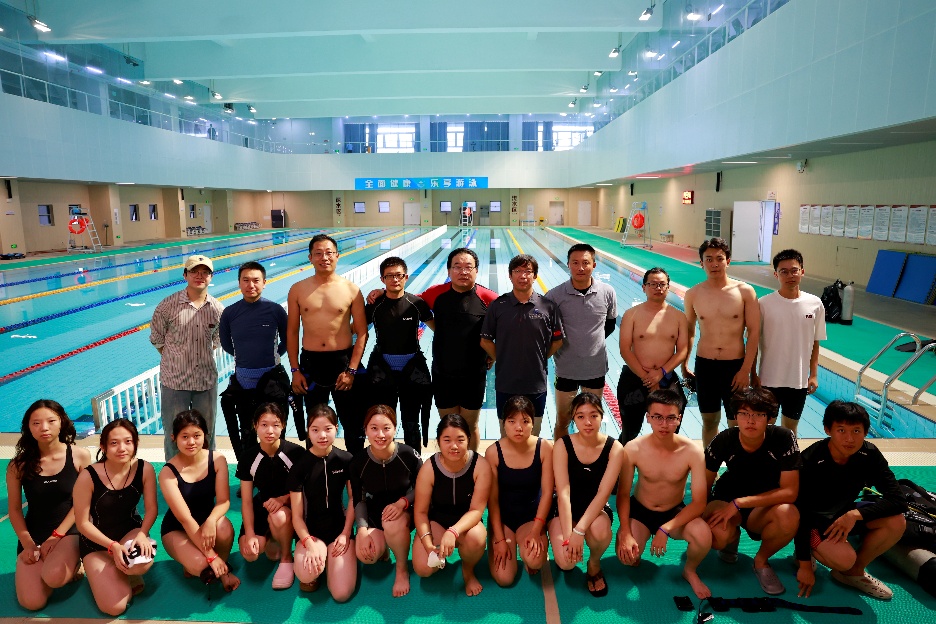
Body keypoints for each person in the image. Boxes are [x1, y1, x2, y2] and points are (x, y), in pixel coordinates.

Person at [794, 400, 906, 600]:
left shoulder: (869, 454)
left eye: (856, 431)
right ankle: (813, 549)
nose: (849, 439)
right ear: (827, 430)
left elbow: (898, 500)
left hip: (845, 514)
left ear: (866, 432)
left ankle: (853, 573)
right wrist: (804, 564)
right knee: (844, 559)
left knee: (896, 521)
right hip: (814, 521)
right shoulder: (811, 459)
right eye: (841, 430)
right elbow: (799, 511)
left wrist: (855, 514)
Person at [703, 387, 800, 596]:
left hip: (763, 506)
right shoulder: (724, 439)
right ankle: (731, 538)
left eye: (758, 414)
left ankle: (761, 561)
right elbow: (704, 486)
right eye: (744, 413)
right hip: (726, 497)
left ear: (769, 418)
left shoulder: (783, 438)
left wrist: (740, 503)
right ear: (735, 416)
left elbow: (790, 492)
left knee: (789, 515)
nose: (750, 420)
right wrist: (702, 521)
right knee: (715, 534)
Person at [615, 389, 712, 599]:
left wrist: (665, 529)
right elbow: (622, 494)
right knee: (627, 558)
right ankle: (637, 539)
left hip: (673, 512)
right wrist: (625, 531)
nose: (664, 424)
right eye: (657, 417)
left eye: (670, 418)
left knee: (703, 535)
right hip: (640, 511)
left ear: (679, 419)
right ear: (648, 417)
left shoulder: (692, 452)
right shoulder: (633, 448)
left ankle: (690, 570)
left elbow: (699, 502)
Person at [8, 400, 92, 611]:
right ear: (28, 427)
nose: (44, 428)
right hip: (34, 533)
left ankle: (74, 562)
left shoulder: (79, 456)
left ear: (62, 422)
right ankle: (48, 564)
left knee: (54, 577)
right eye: (36, 423)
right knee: (32, 602)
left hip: (69, 529)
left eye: (51, 421)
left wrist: (57, 536)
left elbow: (83, 503)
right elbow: (15, 510)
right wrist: (28, 543)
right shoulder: (18, 465)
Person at [287, 234, 368, 453]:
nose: (324, 257)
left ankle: (354, 470)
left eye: (329, 253)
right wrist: (295, 370)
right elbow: (292, 332)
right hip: (311, 364)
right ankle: (315, 469)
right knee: (314, 424)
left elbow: (362, 333)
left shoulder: (351, 289)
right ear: (310, 258)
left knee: (353, 423)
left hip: (343, 362)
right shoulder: (297, 289)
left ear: (337, 256)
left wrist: (351, 370)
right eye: (318, 253)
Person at [73, 419, 158, 616]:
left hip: (130, 533)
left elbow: (152, 509)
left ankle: (124, 572)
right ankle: (107, 571)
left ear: (135, 443)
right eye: (114, 443)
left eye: (128, 442)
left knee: (143, 562)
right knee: (114, 607)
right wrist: (113, 546)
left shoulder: (145, 469)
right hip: (96, 543)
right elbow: (82, 523)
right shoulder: (88, 476)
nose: (122, 448)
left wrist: (142, 534)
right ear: (103, 446)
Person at [416, 248, 498, 450]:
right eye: (457, 267)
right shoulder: (436, 293)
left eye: (468, 267)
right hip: (443, 373)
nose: (463, 271)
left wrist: (493, 354)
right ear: (449, 271)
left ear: (476, 270)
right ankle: (449, 464)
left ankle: (472, 464)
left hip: (474, 375)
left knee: (470, 426)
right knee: (449, 426)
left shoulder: (488, 297)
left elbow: (505, 327)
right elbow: (405, 299)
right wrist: (381, 292)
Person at [682, 238, 760, 448]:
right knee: (709, 421)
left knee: (736, 422)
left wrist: (746, 370)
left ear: (728, 261)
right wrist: (684, 364)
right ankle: (710, 462)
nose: (714, 264)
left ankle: (736, 463)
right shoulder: (693, 294)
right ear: (701, 263)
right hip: (705, 365)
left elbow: (754, 332)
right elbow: (689, 331)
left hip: (735, 366)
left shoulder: (745, 291)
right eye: (709, 259)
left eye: (719, 258)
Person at [550, 392, 625, 598]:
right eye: (581, 416)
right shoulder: (563, 445)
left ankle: (594, 563)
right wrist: (569, 536)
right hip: (565, 508)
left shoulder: (614, 448)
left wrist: (580, 531)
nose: (588, 422)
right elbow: (563, 492)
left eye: (593, 415)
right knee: (567, 563)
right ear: (573, 419)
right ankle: (560, 538)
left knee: (600, 531)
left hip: (596, 509)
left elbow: (603, 494)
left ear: (602, 416)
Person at [150, 254, 224, 461]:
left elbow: (217, 341)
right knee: (174, 433)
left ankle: (207, 471)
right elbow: (157, 339)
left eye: (205, 272)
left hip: (205, 380)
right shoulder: (167, 305)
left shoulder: (217, 309)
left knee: (206, 432)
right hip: (175, 381)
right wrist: (177, 359)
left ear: (211, 277)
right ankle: (174, 472)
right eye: (194, 271)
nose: (200, 276)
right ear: (185, 275)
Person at [481, 254, 564, 437]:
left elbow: (558, 340)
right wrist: (502, 358)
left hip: (536, 383)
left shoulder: (548, 306)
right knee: (506, 435)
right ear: (510, 275)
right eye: (518, 271)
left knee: (533, 435)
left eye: (528, 271)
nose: (523, 275)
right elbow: (485, 340)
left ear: (535, 276)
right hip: (506, 383)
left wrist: (539, 358)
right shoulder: (498, 305)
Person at [159, 410, 239, 592]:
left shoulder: (217, 460)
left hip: (206, 522)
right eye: (184, 437)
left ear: (205, 435)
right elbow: (185, 518)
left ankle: (221, 568)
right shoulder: (167, 473)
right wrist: (211, 556)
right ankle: (209, 564)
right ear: (174, 438)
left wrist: (211, 520)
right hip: (178, 529)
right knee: (203, 566)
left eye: (196, 435)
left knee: (224, 527)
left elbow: (223, 501)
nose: (191, 442)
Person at [412, 414, 492, 597]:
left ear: (469, 440)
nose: (454, 446)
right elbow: (421, 512)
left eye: (460, 440)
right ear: (439, 442)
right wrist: (428, 544)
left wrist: (453, 531)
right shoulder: (429, 468)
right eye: (447, 440)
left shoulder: (480, 466)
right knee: (423, 568)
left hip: (467, 525)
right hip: (437, 522)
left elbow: (476, 510)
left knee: (476, 538)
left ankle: (467, 570)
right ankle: (440, 555)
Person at [219, 261, 290, 463]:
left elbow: (287, 341)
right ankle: (249, 474)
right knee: (247, 433)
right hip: (244, 381)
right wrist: (245, 357)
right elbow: (226, 344)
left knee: (276, 430)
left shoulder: (275, 310)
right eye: (246, 280)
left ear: (264, 283)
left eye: (256, 280)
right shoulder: (230, 313)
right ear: (239, 283)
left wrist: (272, 356)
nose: (251, 285)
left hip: (272, 380)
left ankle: (278, 470)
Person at [350, 404, 423, 597]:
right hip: (375, 515)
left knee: (392, 523)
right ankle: (384, 545)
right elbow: (359, 499)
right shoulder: (358, 462)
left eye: (386, 428)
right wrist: (362, 530)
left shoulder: (409, 455)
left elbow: (423, 488)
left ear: (395, 428)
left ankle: (401, 569)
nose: (380, 435)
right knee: (366, 556)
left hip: (405, 511)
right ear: (365, 430)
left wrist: (403, 502)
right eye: (374, 428)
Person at [546, 244, 618, 440]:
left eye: (585, 263)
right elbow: (548, 330)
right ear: (568, 264)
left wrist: (590, 343)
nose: (580, 268)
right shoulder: (554, 296)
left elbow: (610, 324)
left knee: (591, 421)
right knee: (563, 420)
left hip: (595, 368)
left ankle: (588, 455)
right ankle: (561, 455)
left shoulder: (607, 292)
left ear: (594, 265)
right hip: (566, 369)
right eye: (575, 263)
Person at [364, 257, 434, 450]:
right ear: (382, 279)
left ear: (406, 277)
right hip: (383, 369)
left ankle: (414, 460)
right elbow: (356, 330)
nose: (395, 279)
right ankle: (384, 457)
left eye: (399, 275)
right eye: (389, 276)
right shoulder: (375, 305)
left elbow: (438, 329)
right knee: (383, 421)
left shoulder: (416, 303)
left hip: (411, 369)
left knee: (411, 422)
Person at [754, 249, 826, 437]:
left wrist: (814, 375)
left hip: (798, 380)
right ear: (776, 274)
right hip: (769, 379)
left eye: (794, 270)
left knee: (790, 430)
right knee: (765, 429)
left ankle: (788, 457)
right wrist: (753, 374)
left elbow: (815, 342)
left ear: (802, 271)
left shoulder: (815, 304)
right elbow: (752, 342)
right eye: (784, 271)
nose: (790, 276)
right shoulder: (764, 304)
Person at [288, 404, 356, 601]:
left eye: (328, 429)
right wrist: (308, 543)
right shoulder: (300, 466)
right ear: (308, 431)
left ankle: (331, 563)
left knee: (341, 594)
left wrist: (345, 534)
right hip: (311, 533)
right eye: (315, 430)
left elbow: (353, 499)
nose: (322, 435)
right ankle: (319, 561)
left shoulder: (345, 459)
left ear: (336, 428)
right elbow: (297, 517)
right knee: (306, 576)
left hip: (339, 532)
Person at [484, 395, 554, 586]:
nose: (519, 427)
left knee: (535, 560)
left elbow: (547, 493)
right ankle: (500, 541)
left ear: (533, 424)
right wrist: (499, 539)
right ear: (503, 424)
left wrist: (537, 530)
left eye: (525, 421)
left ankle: (527, 544)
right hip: (503, 519)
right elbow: (492, 500)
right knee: (504, 579)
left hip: (531, 517)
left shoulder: (544, 448)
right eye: (512, 421)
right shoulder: (493, 452)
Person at [238, 402, 306, 590]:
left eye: (276, 425)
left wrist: (283, 499)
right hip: (263, 505)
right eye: (264, 425)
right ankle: (273, 539)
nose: (270, 431)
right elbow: (246, 501)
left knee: (279, 516)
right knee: (250, 554)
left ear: (283, 425)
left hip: (290, 506)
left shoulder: (295, 453)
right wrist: (249, 534)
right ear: (255, 426)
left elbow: (305, 490)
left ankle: (286, 558)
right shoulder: (248, 457)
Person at [617, 268, 689, 444]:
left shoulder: (679, 317)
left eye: (662, 284)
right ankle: (621, 461)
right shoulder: (631, 315)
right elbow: (625, 349)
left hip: (666, 378)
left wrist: (661, 373)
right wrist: (647, 377)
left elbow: (682, 350)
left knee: (669, 431)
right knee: (630, 432)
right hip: (635, 377)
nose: (658, 288)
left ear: (668, 287)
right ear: (644, 287)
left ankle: (664, 461)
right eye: (653, 284)